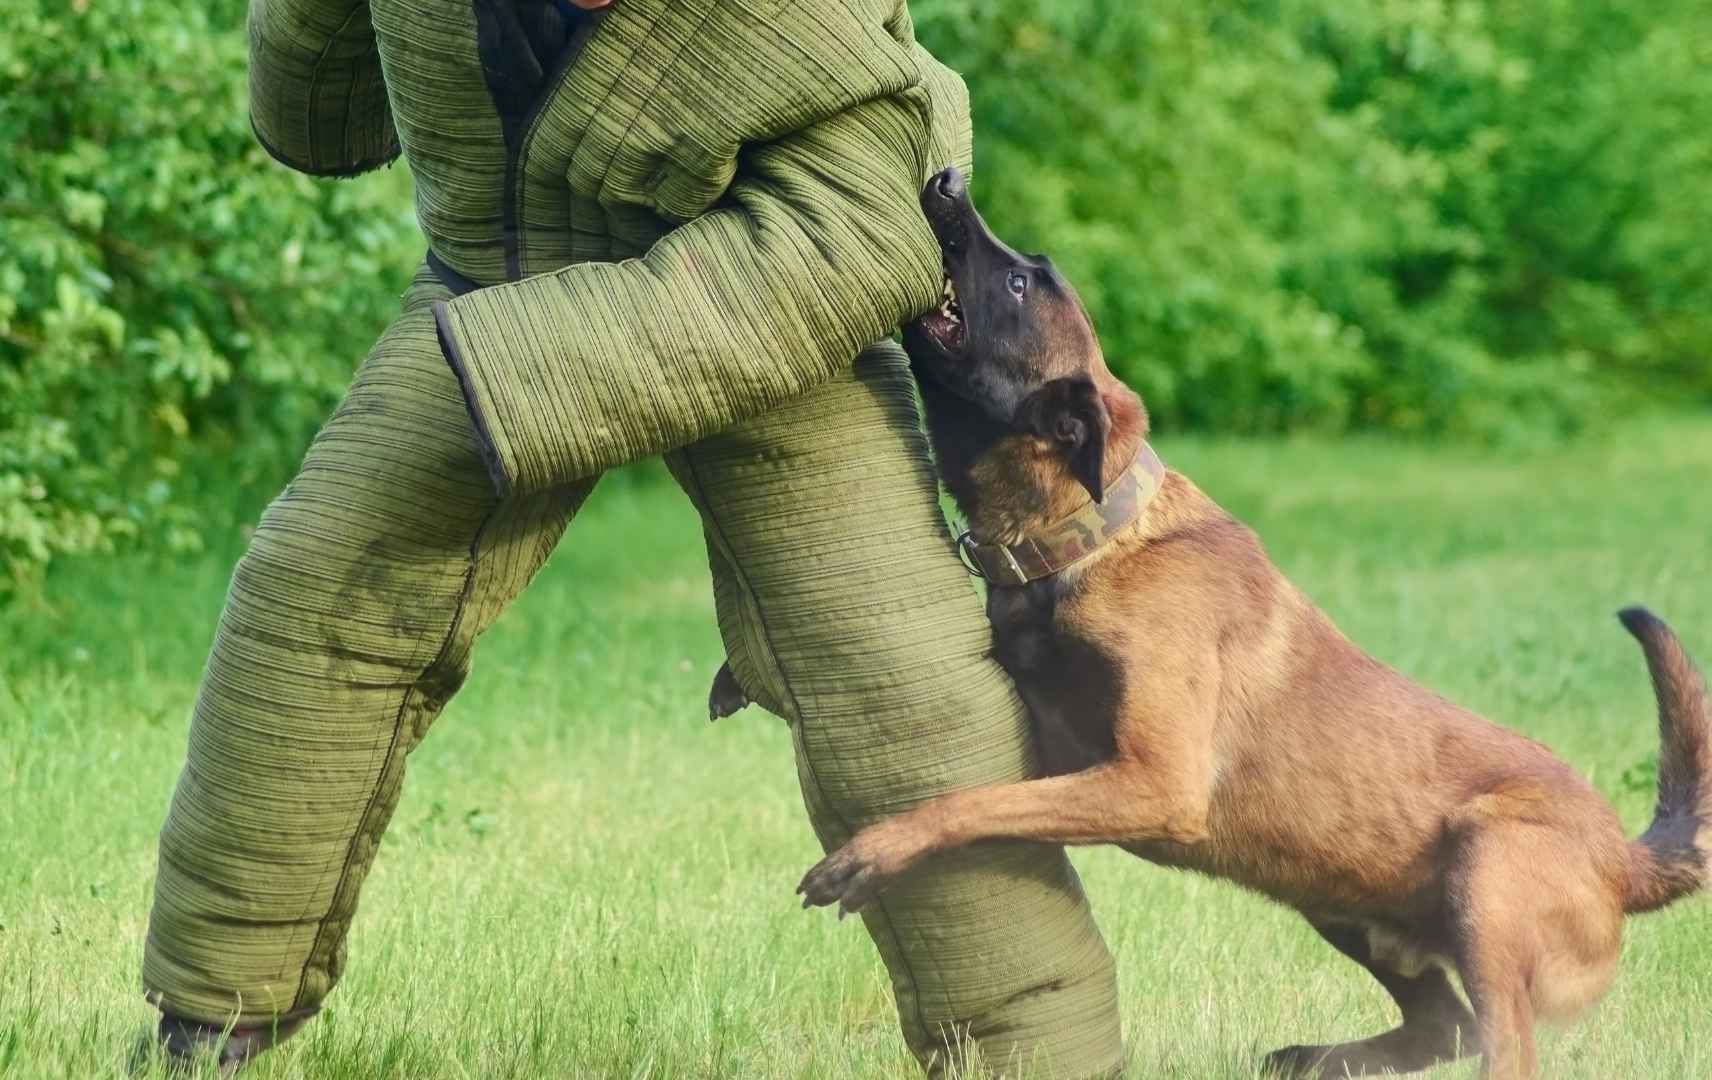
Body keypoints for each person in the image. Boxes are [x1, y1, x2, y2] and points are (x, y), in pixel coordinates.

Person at [142, 0, 1123, 1073]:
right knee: (311, 597)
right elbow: (317, 124)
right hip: (499, 276)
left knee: (903, 685)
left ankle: (1042, 1057)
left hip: (775, 292)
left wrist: (525, 370)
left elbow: (867, 232)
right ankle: (211, 1023)